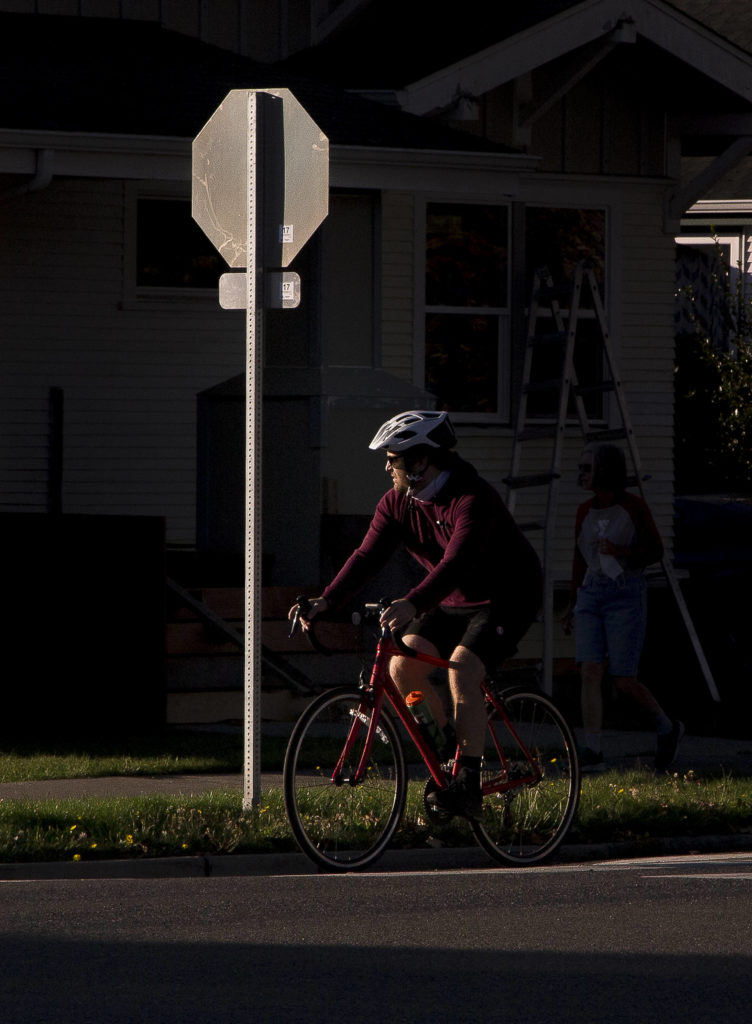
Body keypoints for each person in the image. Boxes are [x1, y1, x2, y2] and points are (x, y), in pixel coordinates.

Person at [289, 409, 542, 820]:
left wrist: (413, 602)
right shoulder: (398, 503)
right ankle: (446, 750)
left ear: (421, 461)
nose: (387, 465)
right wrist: (326, 601)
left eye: (394, 458)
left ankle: (470, 785)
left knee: (462, 669)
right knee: (401, 669)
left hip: (506, 596)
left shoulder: (471, 497)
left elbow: (456, 563)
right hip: (452, 599)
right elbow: (367, 556)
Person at [561, 443, 684, 772]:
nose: (582, 474)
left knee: (624, 678)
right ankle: (593, 747)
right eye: (580, 467)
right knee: (589, 669)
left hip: (624, 594)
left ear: (606, 470)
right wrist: (573, 600)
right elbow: (578, 556)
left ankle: (667, 727)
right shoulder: (584, 511)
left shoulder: (633, 508)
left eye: (588, 467)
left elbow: (654, 550)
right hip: (591, 592)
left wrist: (621, 551)